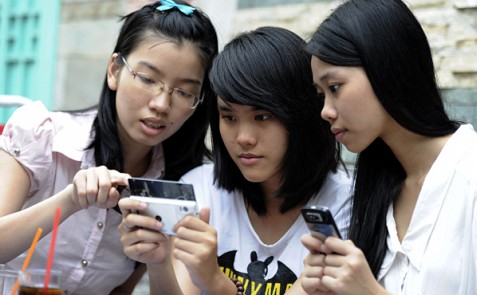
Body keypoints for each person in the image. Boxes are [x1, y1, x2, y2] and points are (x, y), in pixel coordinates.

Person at [0, 1, 218, 294]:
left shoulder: (176, 185)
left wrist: (158, 260)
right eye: (148, 79)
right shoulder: (42, 134)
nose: (161, 104)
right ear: (115, 70)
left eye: (184, 92)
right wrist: (70, 201)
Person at [118, 26, 353, 295]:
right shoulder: (201, 189)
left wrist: (214, 281)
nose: (243, 138)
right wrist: (158, 264)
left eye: (262, 116)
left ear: (302, 115)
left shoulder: (344, 204)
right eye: (229, 117)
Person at [300, 0, 477, 294]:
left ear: (386, 67)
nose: (326, 110)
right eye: (321, 94)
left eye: (335, 87)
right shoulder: (375, 188)